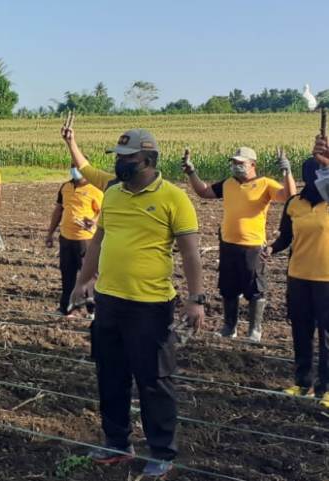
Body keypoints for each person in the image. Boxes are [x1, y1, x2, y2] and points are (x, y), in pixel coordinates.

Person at [70, 129, 205, 478]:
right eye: (118, 156)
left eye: (125, 158)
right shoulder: (113, 193)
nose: (119, 163)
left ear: (147, 160)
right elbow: (99, 240)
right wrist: (83, 281)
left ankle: (161, 451)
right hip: (109, 302)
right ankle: (117, 443)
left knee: (154, 381)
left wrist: (196, 299)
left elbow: (190, 254)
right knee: (110, 375)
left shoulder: (174, 198)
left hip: (150, 306)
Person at [182, 146, 295, 342]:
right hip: (227, 245)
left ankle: (254, 330)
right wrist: (192, 172)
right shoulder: (228, 184)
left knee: (255, 289)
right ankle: (229, 327)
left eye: (240, 163)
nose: (236, 167)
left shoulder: (265, 184)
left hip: (252, 246)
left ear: (253, 165)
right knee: (228, 288)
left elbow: (289, 196)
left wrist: (287, 172)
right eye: (234, 163)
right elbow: (204, 192)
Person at [268, 136, 329, 407]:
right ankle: (301, 382)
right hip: (299, 278)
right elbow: (285, 237)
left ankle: (326, 388)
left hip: (327, 280)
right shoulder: (295, 203)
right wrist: (270, 249)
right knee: (301, 332)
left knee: (327, 338)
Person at [45, 167, 103, 317]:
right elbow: (58, 210)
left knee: (90, 275)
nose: (74, 170)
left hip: (85, 239)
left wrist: (94, 220)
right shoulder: (65, 187)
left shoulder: (95, 189)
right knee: (67, 273)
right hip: (65, 238)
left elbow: (103, 211)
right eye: (72, 167)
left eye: (77, 166)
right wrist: (50, 233)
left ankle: (93, 310)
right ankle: (66, 308)